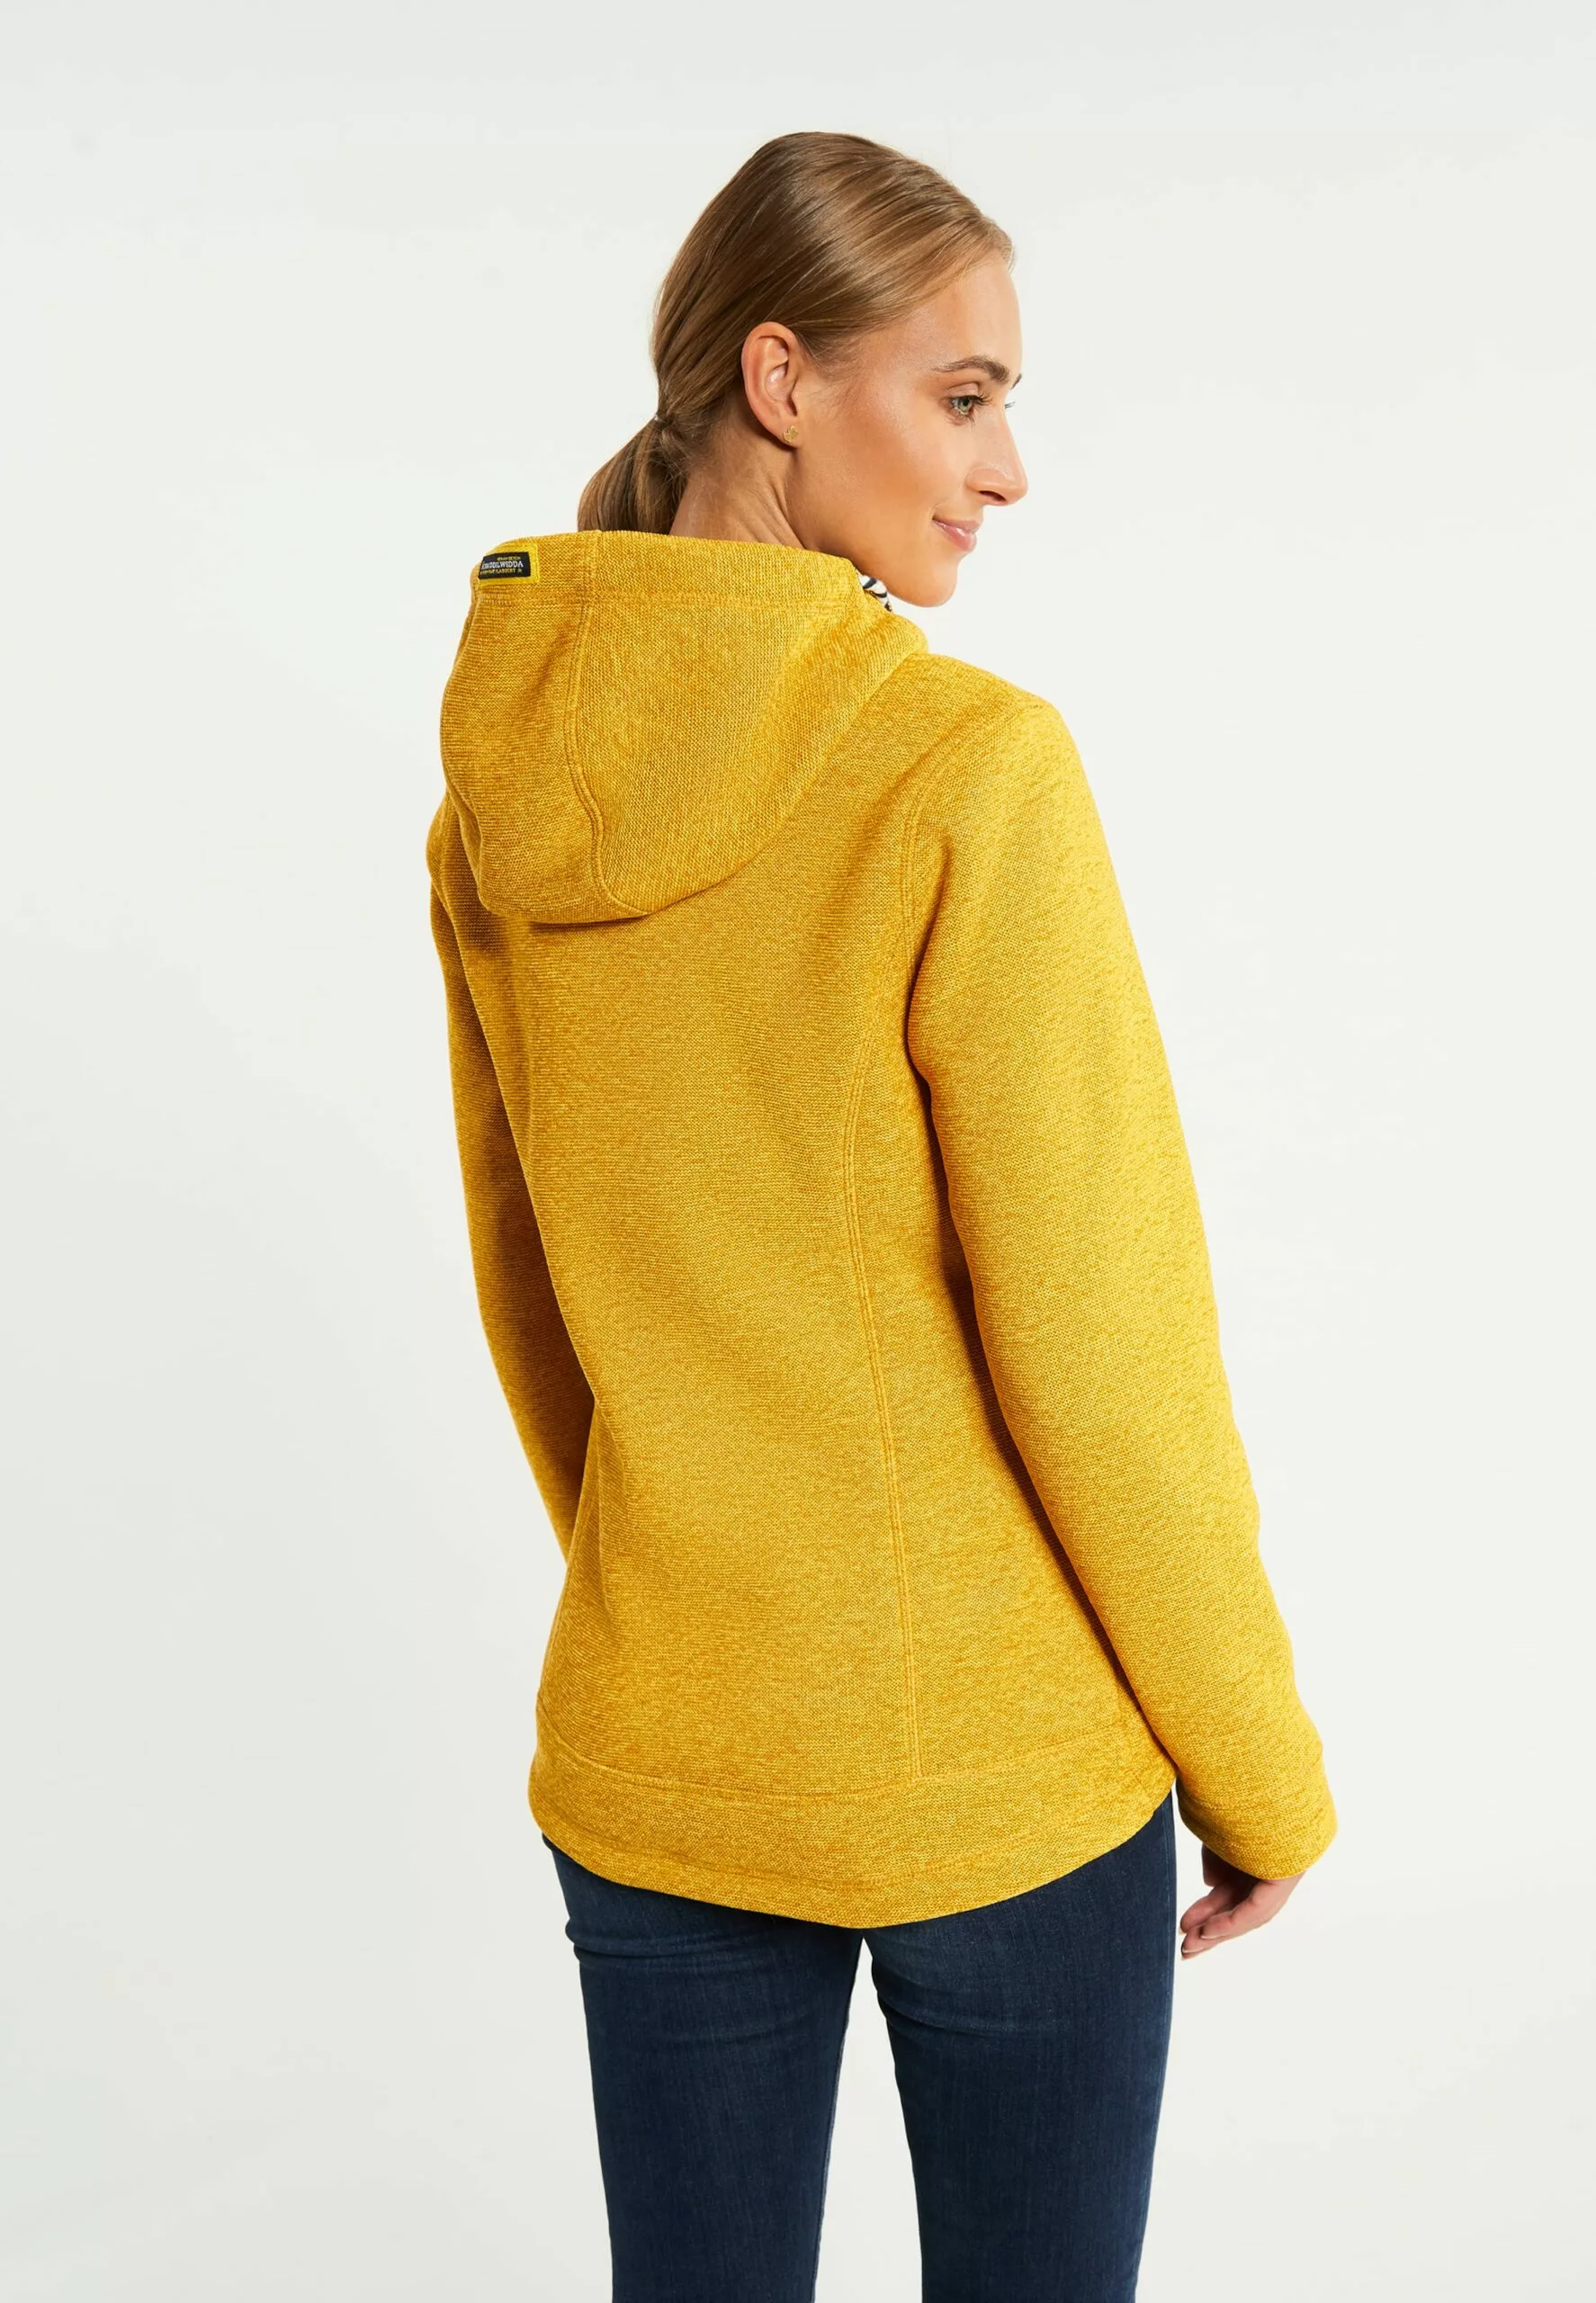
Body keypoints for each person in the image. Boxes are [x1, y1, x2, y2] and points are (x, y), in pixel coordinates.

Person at [426, 129, 1335, 2303]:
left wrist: (678, 1588)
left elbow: (530, 1284)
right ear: (778, 377)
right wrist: (1259, 1769)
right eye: (962, 395)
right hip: (994, 1778)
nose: (1004, 467)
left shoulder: (497, 794)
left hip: (660, 1747)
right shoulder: (959, 767)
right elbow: (1102, 1342)